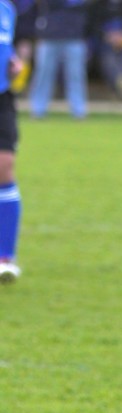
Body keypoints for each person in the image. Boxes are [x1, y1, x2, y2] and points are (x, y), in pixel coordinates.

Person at [27, 0, 89, 119]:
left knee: (76, 75)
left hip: (74, 37)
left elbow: (82, 5)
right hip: (49, 36)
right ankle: (38, 109)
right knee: (43, 74)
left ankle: (79, 111)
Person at [1, 0, 25, 283]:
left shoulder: (6, 8)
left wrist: (13, 62)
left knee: (4, 167)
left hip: (2, 97)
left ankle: (4, 256)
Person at [87, 0, 122, 100]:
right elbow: (92, 25)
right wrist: (107, 36)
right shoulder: (98, 5)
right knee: (108, 59)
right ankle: (120, 84)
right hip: (104, 45)